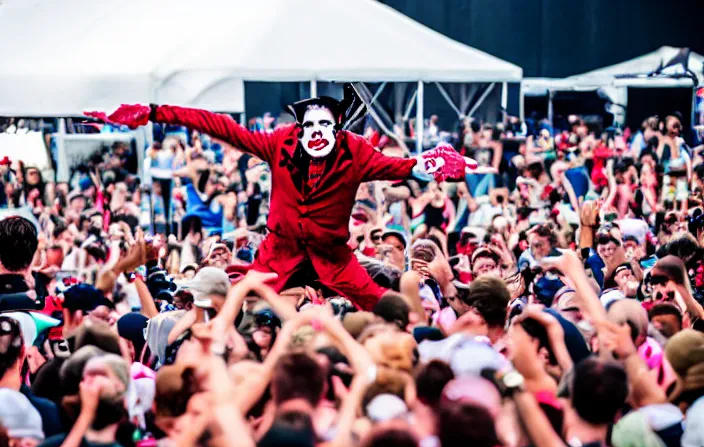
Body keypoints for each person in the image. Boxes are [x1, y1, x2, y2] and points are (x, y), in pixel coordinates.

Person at [86, 88, 474, 311]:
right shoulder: (279, 142)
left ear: (336, 127)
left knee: (387, 308)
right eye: (310, 125)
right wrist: (155, 112)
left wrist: (440, 164)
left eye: (325, 124)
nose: (317, 131)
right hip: (279, 253)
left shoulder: (354, 150)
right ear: (299, 128)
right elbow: (219, 124)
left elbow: (402, 167)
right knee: (232, 303)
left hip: (333, 257)